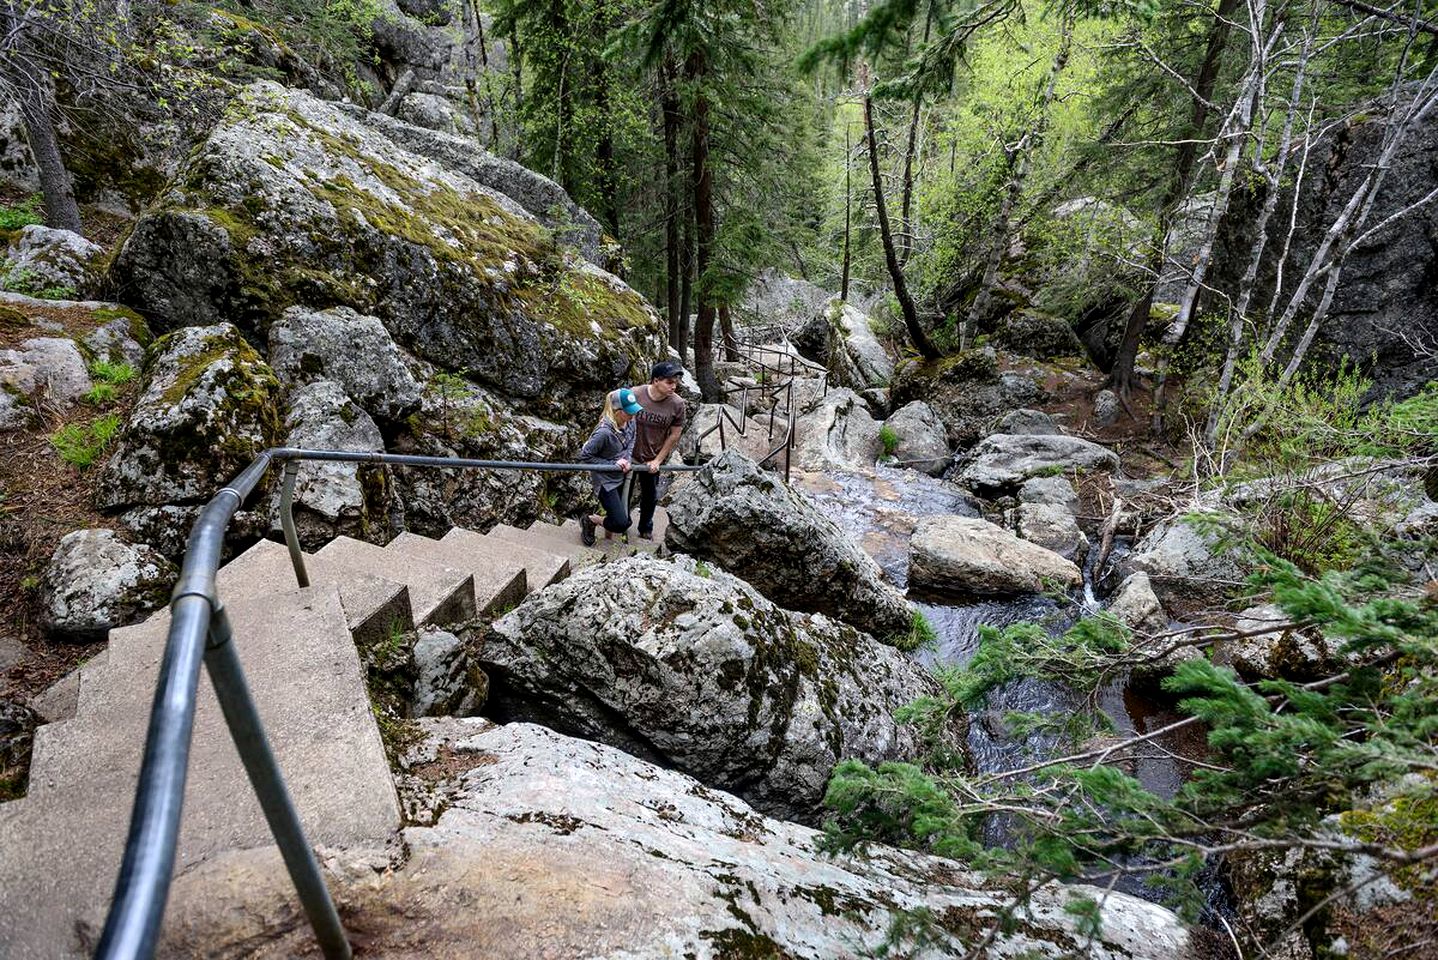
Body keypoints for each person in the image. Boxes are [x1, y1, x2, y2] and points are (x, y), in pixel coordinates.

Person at [629, 360, 688, 540]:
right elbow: (617, 416)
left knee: (650, 495)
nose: (673, 387)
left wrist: (658, 460)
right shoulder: (636, 394)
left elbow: (675, 434)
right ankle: (620, 523)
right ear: (656, 381)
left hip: (652, 456)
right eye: (669, 382)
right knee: (622, 492)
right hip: (628, 454)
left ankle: (645, 527)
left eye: (675, 383)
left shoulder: (677, 404)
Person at [578, 387, 640, 546]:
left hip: (623, 474)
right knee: (621, 523)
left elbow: (632, 441)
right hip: (606, 480)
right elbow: (585, 455)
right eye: (629, 412)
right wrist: (613, 464)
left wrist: (626, 459)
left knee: (623, 517)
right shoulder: (603, 433)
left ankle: (608, 539)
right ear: (618, 411)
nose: (633, 415)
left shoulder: (630, 421)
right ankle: (591, 520)